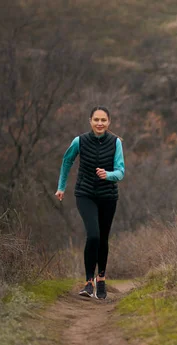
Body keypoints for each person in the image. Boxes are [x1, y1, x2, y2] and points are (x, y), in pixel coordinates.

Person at [55, 106, 125, 299]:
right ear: (90, 121)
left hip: (108, 196)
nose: (100, 123)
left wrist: (108, 174)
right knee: (93, 235)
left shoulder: (116, 143)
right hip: (85, 194)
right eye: (96, 120)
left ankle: (101, 279)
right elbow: (66, 161)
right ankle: (88, 282)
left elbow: (120, 171)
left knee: (103, 238)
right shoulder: (79, 141)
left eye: (103, 120)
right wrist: (61, 187)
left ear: (108, 122)